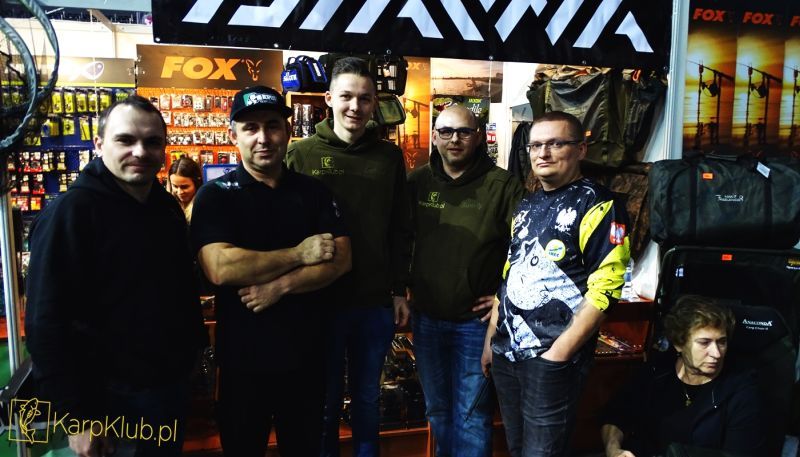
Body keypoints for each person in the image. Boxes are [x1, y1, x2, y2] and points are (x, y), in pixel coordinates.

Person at [25, 95, 206, 457]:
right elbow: (46, 323)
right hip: (107, 400)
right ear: (99, 144)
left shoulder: (165, 206)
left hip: (166, 389)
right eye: (126, 140)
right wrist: (77, 416)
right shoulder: (70, 213)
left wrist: (191, 355)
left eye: (152, 142)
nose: (140, 151)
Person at [191, 85, 351, 457]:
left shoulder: (313, 192)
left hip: (306, 361)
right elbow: (220, 267)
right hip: (243, 366)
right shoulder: (216, 196)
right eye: (251, 128)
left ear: (288, 131)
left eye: (272, 126)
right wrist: (300, 253)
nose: (263, 138)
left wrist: (279, 286)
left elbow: (341, 259)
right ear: (233, 135)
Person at [481, 111, 631, 457]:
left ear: (580, 149)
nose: (543, 153)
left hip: (551, 357)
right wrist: (491, 339)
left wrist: (558, 353)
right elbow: (510, 273)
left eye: (555, 144)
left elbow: (606, 288)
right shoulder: (528, 204)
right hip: (508, 351)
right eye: (536, 145)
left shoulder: (599, 204)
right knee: (518, 448)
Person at [286, 57, 413, 457]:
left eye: (365, 98)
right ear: (328, 98)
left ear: (376, 102)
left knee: (366, 401)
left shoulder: (389, 158)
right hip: (317, 302)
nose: (355, 106)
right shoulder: (301, 154)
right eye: (346, 97)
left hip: (373, 303)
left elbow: (400, 227)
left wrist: (399, 290)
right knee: (322, 403)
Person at [407, 104, 524, 456]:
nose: (454, 139)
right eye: (446, 131)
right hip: (426, 319)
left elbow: (524, 251)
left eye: (463, 132)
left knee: (472, 417)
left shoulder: (503, 185)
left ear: (479, 137)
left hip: (475, 325)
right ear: (435, 137)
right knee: (437, 412)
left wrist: (502, 297)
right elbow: (398, 239)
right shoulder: (416, 182)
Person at [601, 295, 766, 457]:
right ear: (679, 343)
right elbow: (616, 414)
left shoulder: (741, 390)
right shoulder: (657, 370)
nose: (716, 353)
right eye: (704, 343)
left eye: (722, 342)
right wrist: (613, 448)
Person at [167, 156, 203, 222]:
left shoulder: (204, 206)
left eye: (184, 187)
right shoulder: (167, 203)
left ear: (197, 183)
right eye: (175, 186)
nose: (179, 192)